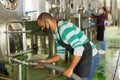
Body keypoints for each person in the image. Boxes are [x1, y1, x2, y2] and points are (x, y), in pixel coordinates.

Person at [36, 12, 100, 80]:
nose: (42, 29)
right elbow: (60, 54)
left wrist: (70, 69)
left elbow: (79, 48)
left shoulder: (64, 29)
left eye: (42, 26)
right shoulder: (56, 33)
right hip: (79, 57)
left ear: (47, 22)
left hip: (90, 56)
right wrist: (46, 61)